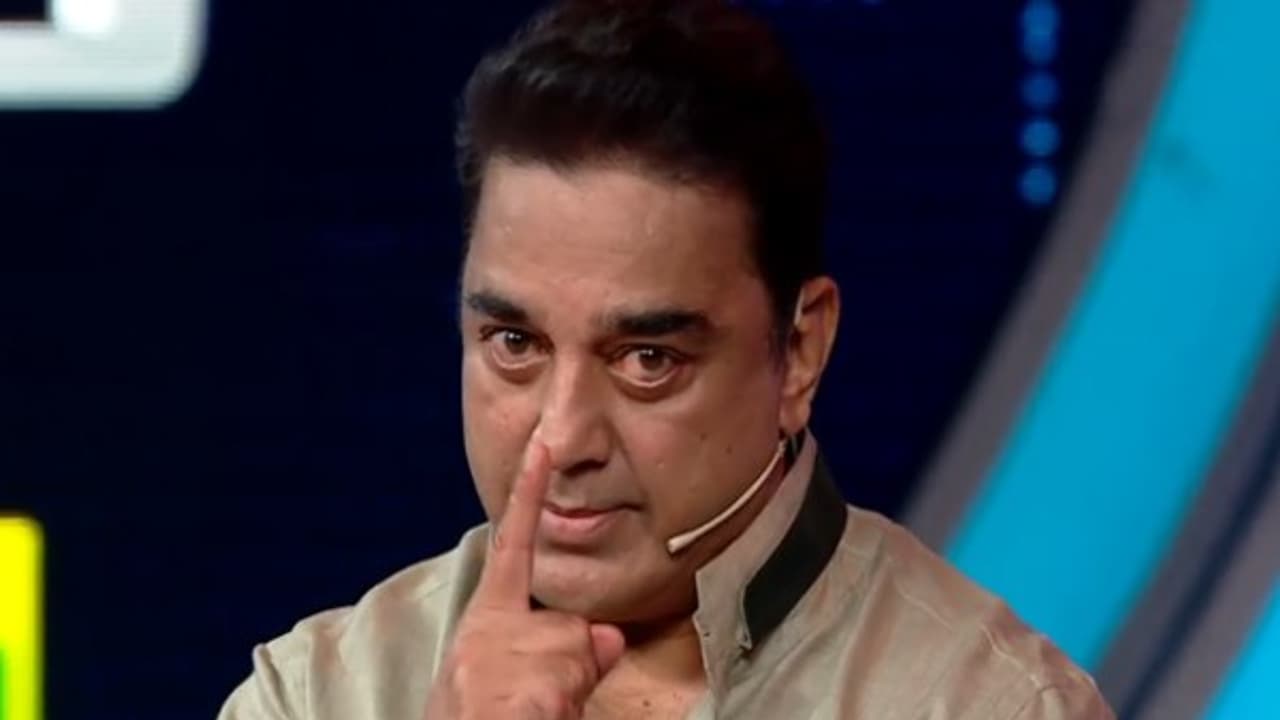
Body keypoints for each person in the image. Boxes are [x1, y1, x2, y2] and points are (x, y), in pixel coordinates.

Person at [218, 1, 1113, 717]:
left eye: (647, 359)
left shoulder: (988, 705)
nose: (562, 439)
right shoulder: (315, 696)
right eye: (516, 345)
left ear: (801, 350)